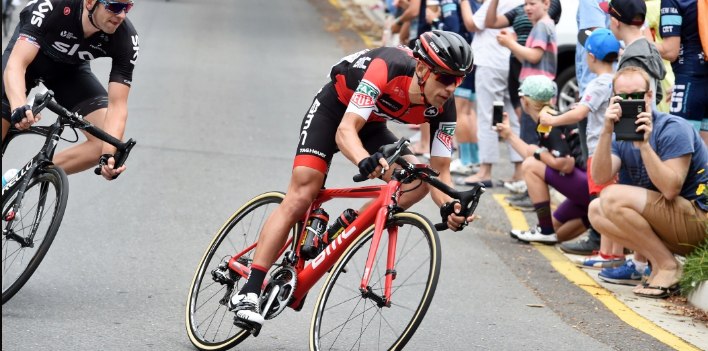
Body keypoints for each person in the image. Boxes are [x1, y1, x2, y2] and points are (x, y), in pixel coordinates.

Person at [229, 31, 477, 333]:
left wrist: (450, 205)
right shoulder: (388, 66)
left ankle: (342, 233)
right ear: (423, 69)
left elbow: (440, 172)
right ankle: (249, 291)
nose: (451, 87)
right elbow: (346, 130)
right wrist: (363, 160)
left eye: (458, 80)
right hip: (334, 110)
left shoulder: (444, 108)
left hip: (371, 124)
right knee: (302, 193)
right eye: (445, 77)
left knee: (417, 180)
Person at [589, 66, 708, 299]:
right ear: (614, 99)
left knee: (612, 197)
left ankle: (669, 267)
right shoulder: (617, 135)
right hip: (673, 223)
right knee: (596, 210)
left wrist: (644, 144)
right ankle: (660, 263)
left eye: (636, 95)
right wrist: (605, 131)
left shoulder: (673, 128)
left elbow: (670, 189)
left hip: (699, 219)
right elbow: (600, 177)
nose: (630, 101)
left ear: (650, 96)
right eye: (623, 97)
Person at [2, 0, 139, 180]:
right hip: (27, 61)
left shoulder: (126, 38)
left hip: (69, 73)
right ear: (90, 2)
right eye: (114, 6)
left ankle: (20, 180)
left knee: (104, 142)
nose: (121, 15)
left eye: (127, 7)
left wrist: (108, 157)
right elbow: (17, 64)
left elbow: (118, 105)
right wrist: (19, 105)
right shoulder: (53, 6)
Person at [541, 29, 628, 269]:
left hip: (600, 152)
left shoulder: (598, 83)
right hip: (616, 152)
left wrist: (551, 120)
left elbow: (579, 113)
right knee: (608, 203)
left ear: (590, 57)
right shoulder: (617, 80)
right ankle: (609, 253)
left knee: (604, 204)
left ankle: (610, 254)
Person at [497, 75, 590, 244]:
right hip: (591, 188)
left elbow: (565, 164)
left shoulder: (547, 121)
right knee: (556, 234)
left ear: (524, 101)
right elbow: (540, 156)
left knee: (530, 165)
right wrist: (508, 135)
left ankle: (544, 229)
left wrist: (538, 152)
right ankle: (549, 230)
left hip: (588, 186)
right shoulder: (551, 115)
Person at [494, 0, 558, 197]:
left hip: (536, 94)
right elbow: (527, 58)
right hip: (538, 91)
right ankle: (531, 189)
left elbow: (534, 56)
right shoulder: (543, 25)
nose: (527, 8)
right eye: (525, 4)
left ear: (546, 3)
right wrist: (513, 43)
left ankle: (533, 192)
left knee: (531, 144)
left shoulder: (541, 26)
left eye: (532, 3)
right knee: (536, 142)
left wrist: (511, 43)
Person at [459, 0, 525, 188]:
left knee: (489, 116)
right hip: (511, 60)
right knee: (511, 115)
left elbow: (472, 24)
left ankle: (485, 170)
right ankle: (519, 171)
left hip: (491, 61)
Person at [650, 0, 708, 144]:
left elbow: (670, 51)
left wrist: (638, 40)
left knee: (679, 153)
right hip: (699, 81)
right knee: (704, 156)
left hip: (689, 81)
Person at [602, 0, 666, 109]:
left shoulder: (630, 58)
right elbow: (658, 94)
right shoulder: (651, 48)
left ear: (615, 21)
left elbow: (625, 104)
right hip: (649, 119)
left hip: (634, 123)